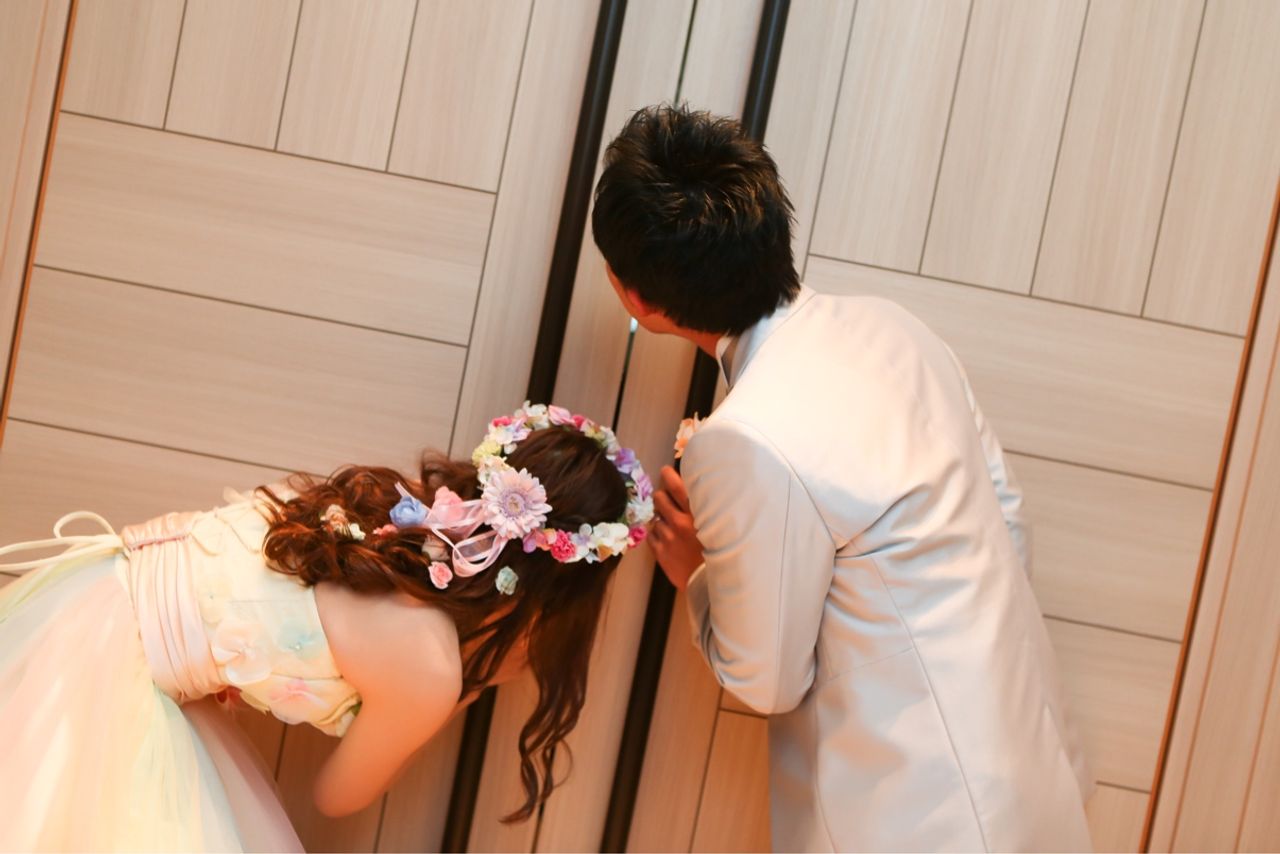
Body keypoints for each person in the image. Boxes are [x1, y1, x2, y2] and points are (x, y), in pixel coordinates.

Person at [593, 104, 1094, 851]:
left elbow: (765, 680)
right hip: (1032, 772)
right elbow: (1009, 521)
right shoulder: (894, 326)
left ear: (638, 299)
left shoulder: (745, 436)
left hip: (919, 819)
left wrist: (696, 572)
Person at [0, 402, 653, 851]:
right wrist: (466, 686)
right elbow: (336, 797)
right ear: (562, 593)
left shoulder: (380, 511)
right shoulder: (429, 667)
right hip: (111, 680)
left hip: (86, 603)